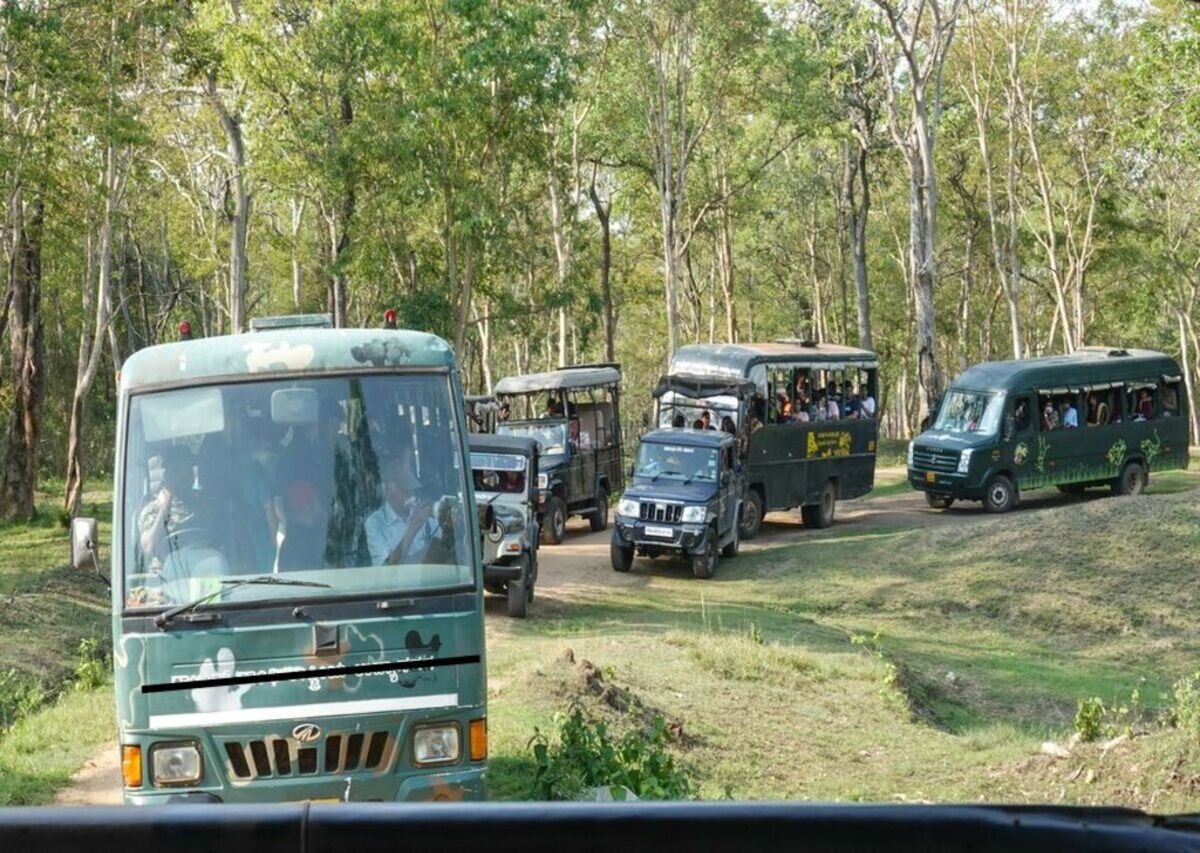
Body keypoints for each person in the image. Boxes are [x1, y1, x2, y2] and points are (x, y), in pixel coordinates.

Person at [364, 458, 440, 565]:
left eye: (413, 490)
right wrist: (413, 528)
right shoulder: (375, 523)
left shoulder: (425, 518)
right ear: (388, 490)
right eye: (406, 491)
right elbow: (386, 568)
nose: (412, 495)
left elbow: (442, 553)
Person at [138, 447, 200, 562]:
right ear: (167, 475)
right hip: (165, 575)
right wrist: (164, 508)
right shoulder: (153, 509)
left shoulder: (203, 504)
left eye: (186, 471)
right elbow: (149, 546)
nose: (183, 478)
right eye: (177, 471)